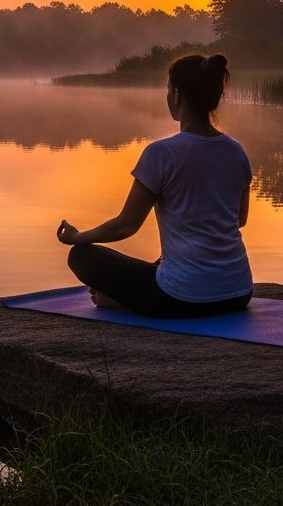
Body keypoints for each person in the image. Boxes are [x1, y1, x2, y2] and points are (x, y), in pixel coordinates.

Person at [56, 53, 253, 318]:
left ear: (176, 95)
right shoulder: (237, 151)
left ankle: (122, 300)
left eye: (167, 89)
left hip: (181, 298)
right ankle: (132, 294)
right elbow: (239, 219)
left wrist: (78, 237)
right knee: (163, 263)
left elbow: (127, 225)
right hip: (238, 293)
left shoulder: (161, 154)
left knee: (81, 257)